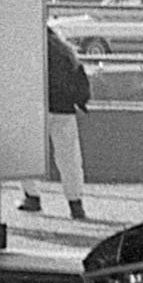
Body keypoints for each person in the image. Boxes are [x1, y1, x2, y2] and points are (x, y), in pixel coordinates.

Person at [24, 25, 92, 221]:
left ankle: (32, 196)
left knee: (25, 153)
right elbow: (81, 83)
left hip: (37, 107)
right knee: (69, 158)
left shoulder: (30, 50)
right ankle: (75, 203)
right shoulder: (66, 52)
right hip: (64, 108)